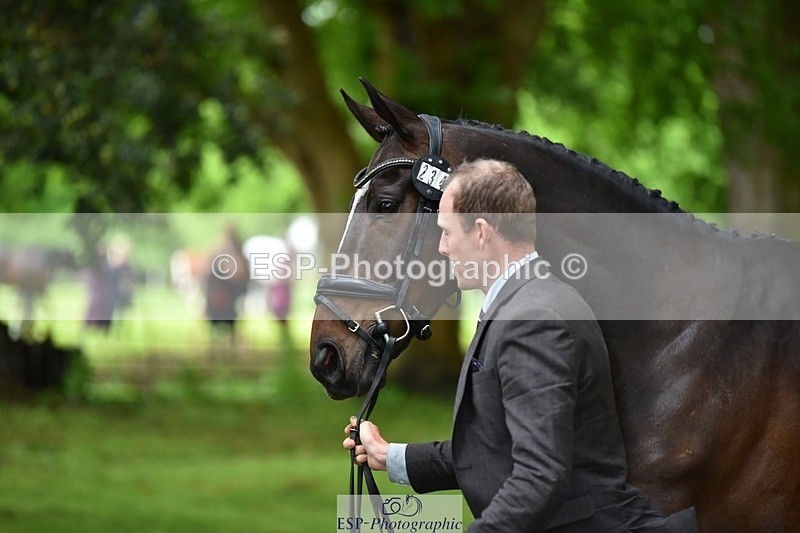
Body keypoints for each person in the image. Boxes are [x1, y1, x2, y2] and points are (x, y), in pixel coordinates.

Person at [343, 159, 698, 532]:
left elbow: (539, 478)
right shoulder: (530, 301)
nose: (443, 249)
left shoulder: (533, 320)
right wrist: (390, 456)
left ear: (480, 232)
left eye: (446, 233)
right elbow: (497, 448)